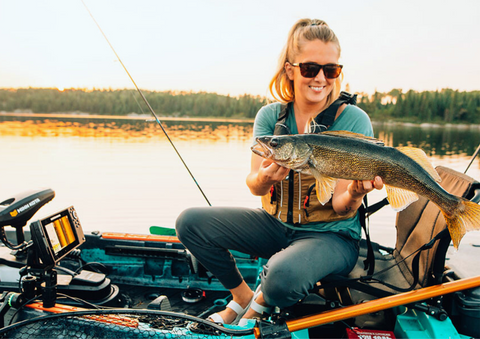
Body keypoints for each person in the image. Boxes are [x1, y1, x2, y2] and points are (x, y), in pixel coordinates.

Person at [176, 18, 383, 325]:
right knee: (190, 222)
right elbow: (254, 186)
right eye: (310, 69)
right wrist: (264, 178)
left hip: (333, 238)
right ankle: (243, 296)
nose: (321, 79)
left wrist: (355, 192)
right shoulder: (271, 117)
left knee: (282, 276)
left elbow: (341, 206)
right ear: (291, 70)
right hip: (276, 226)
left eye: (331, 70)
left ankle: (262, 299)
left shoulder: (353, 119)